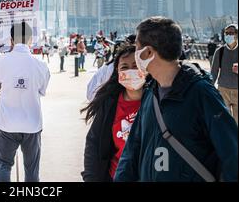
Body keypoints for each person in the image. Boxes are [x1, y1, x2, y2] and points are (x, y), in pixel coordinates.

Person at [115, 17, 238, 182]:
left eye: (137, 47)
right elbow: (132, 148)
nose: (135, 53)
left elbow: (231, 154)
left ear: (148, 53)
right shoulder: (151, 91)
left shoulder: (201, 93)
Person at [0, 22, 50, 182]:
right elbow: (42, 90)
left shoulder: (0, 61)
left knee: (3, 165)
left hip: (6, 123)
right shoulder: (41, 65)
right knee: (32, 170)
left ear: (11, 40)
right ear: (31, 40)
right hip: (32, 124)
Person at [81, 45, 145, 181]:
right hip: (115, 176)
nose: (131, 71)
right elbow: (94, 142)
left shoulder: (157, 101)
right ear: (117, 72)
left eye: (135, 65)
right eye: (124, 67)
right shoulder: (110, 103)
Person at [86, 35, 136, 102]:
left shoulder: (106, 68)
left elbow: (90, 92)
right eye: (124, 67)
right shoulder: (109, 69)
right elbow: (91, 92)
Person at [211, 24, 238, 123]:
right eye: (226, 33)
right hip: (223, 90)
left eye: (231, 33)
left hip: (237, 91)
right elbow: (214, 71)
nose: (228, 35)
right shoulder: (220, 51)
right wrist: (211, 88)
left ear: (236, 35)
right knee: (225, 120)